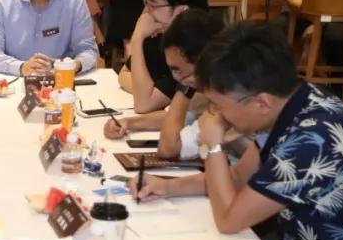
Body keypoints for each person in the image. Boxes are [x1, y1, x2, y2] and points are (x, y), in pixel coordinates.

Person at [132, 22, 343, 240]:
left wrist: (214, 145)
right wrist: (167, 187)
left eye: (219, 106)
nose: (215, 115)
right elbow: (238, 176)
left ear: (261, 102)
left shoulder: (310, 140)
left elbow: (229, 220)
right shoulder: (296, 102)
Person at [105, 9, 255, 160]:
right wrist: (129, 123)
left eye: (177, 69)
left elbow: (168, 148)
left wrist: (183, 87)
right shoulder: (216, 89)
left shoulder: (227, 100)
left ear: (202, 61)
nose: (174, 76)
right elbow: (178, 117)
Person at [117, 0, 209, 112]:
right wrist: (146, 89)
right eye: (146, 3)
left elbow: (143, 105)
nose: (146, 12)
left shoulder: (194, 49)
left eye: (153, 5)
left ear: (181, 11)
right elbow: (124, 74)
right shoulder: (158, 32)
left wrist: (137, 38)